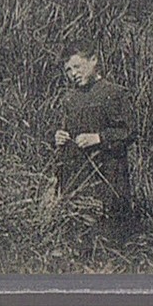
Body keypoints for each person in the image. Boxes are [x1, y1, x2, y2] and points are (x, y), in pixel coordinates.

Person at [54, 40, 137, 231]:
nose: (73, 73)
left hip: (108, 174)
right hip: (77, 176)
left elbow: (130, 132)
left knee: (109, 229)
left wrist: (99, 138)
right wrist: (59, 137)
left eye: (77, 66)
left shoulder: (114, 93)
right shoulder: (69, 99)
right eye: (67, 70)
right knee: (75, 226)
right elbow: (65, 129)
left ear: (93, 61)